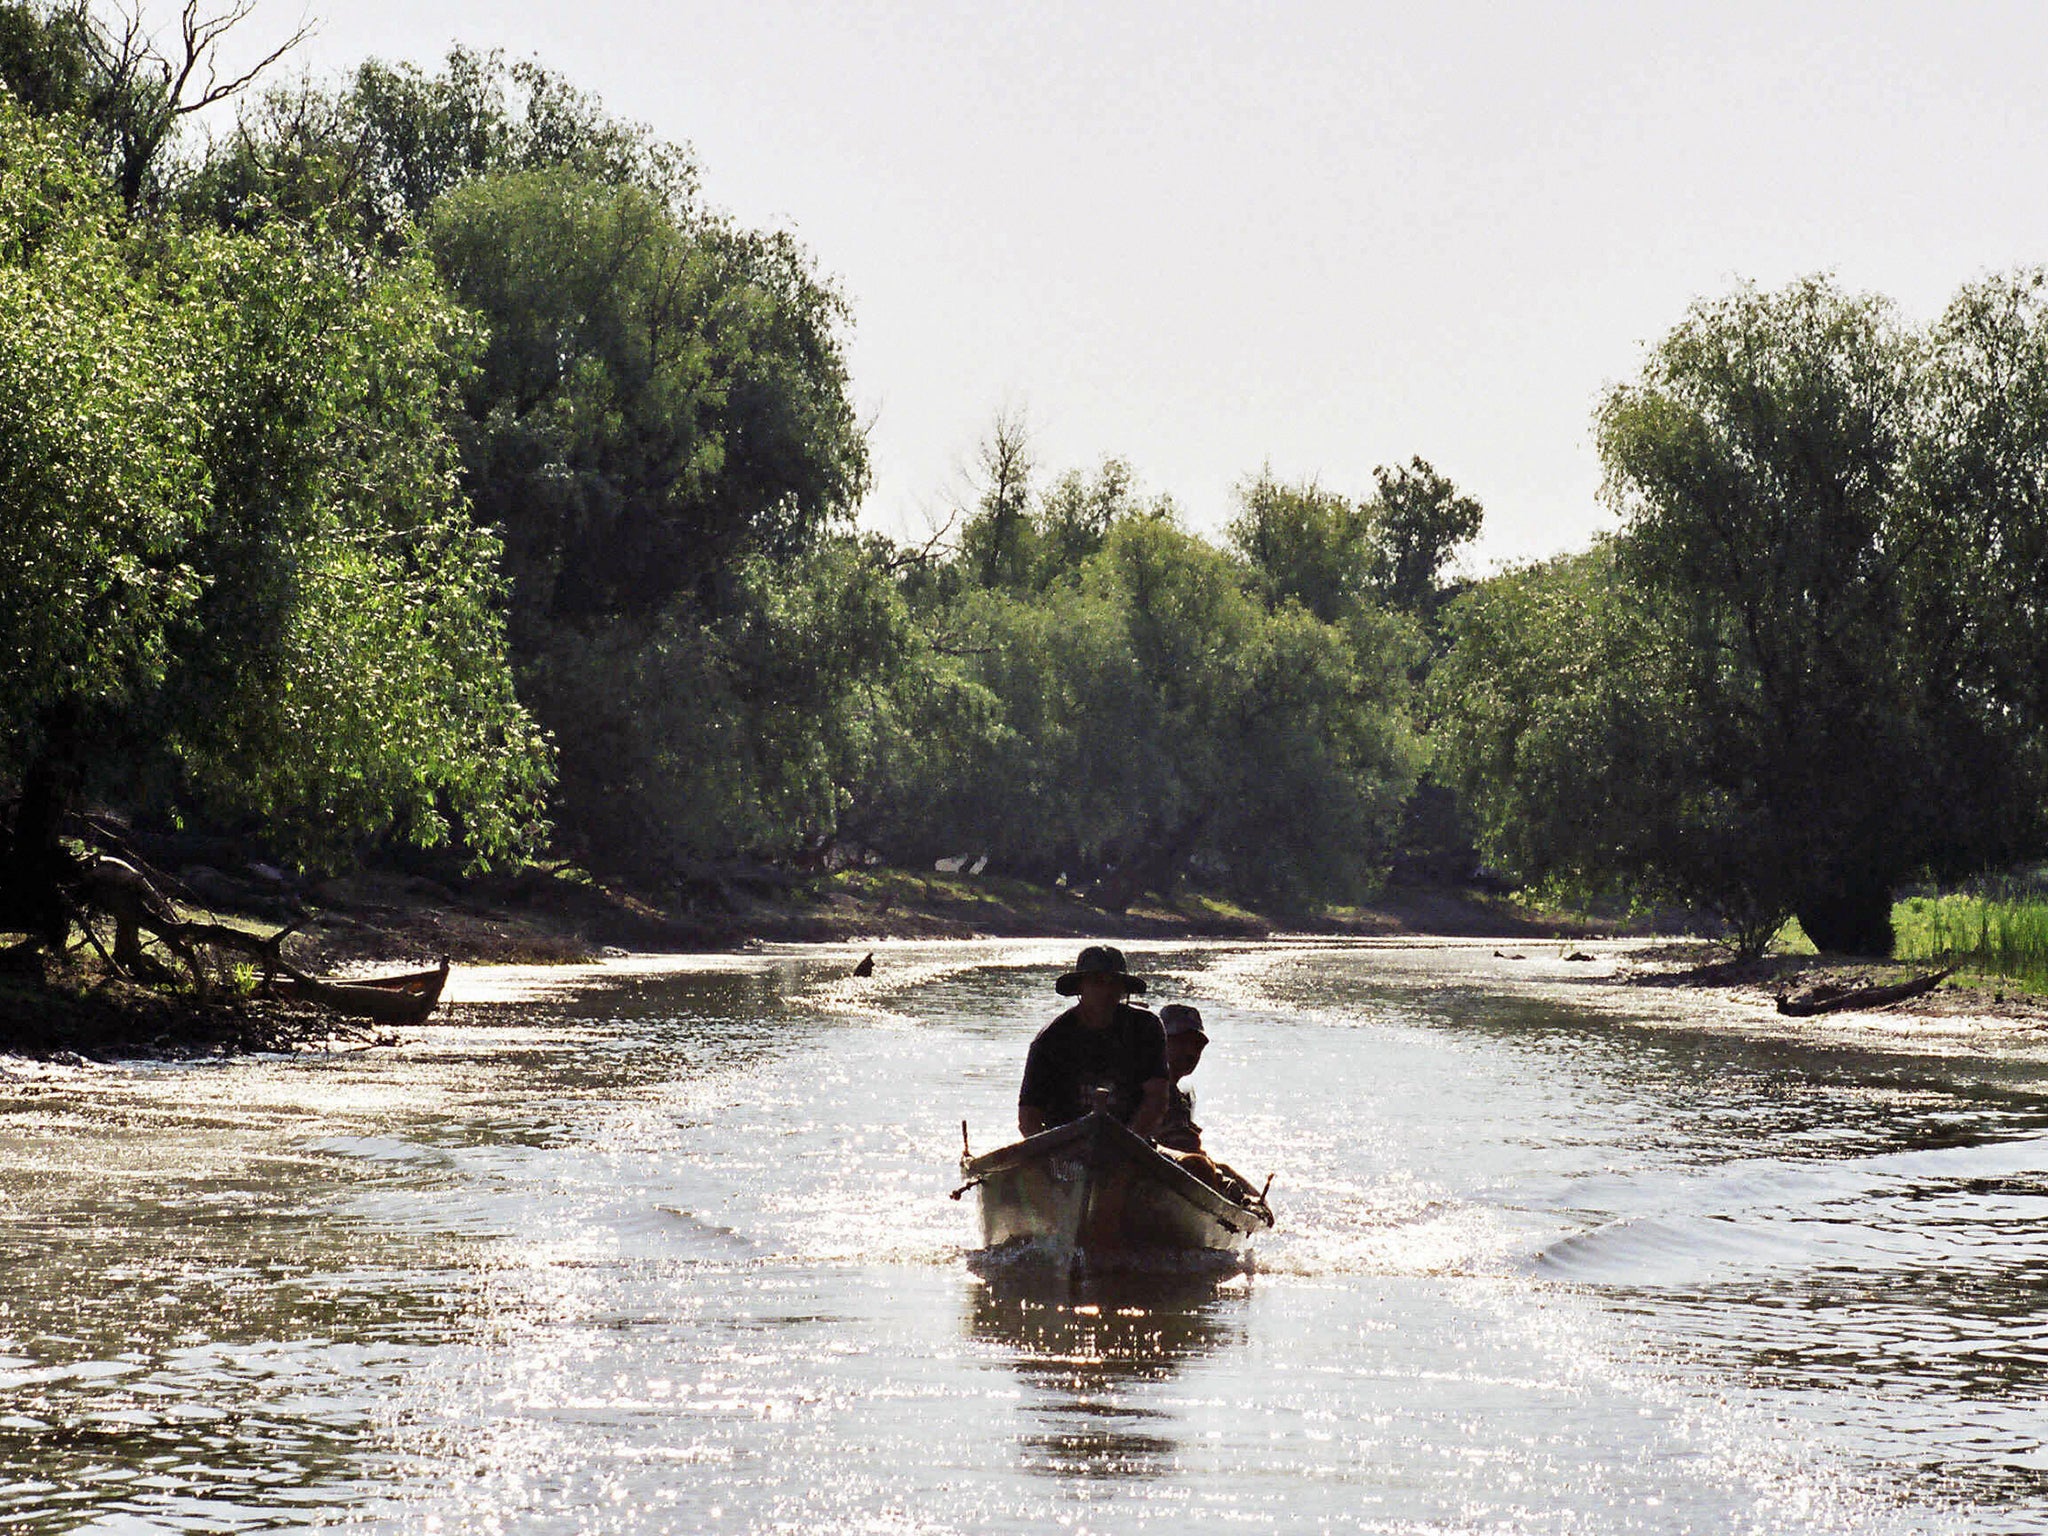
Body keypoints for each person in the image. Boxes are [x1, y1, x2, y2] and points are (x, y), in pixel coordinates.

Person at [1018, 945, 1168, 1138]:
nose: (1106, 991)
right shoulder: (1051, 1039)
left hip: (1132, 1142)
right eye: (1097, 982)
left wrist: (1130, 1143)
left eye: (1113, 983)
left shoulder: (1146, 1027)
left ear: (1123, 988)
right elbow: (1029, 1117)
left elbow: (1156, 1098)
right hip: (1066, 1146)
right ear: (1081, 986)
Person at [1154, 1003, 1208, 1154]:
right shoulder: (1149, 1092)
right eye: (1182, 1042)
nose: (1191, 1052)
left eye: (1197, 1045)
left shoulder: (1180, 1096)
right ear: (1160, 1041)